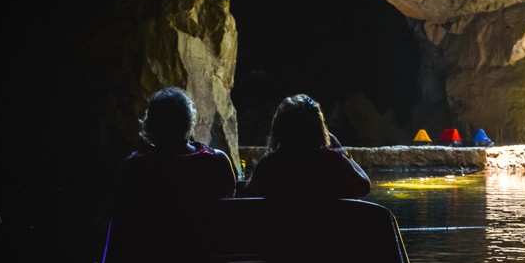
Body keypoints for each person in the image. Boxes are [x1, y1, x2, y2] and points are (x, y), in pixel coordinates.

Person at [110, 86, 237, 214]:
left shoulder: (133, 166)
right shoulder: (217, 161)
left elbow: (118, 211)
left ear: (151, 123)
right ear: (188, 120)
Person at [241, 93, 371, 199]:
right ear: (318, 127)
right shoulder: (333, 161)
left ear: (279, 128)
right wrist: (340, 150)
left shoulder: (271, 163)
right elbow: (364, 187)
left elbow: (247, 195)